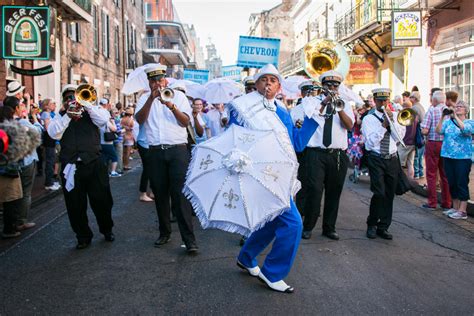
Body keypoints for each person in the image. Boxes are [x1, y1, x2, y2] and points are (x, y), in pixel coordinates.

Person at [229, 64, 319, 293]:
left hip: (281, 175)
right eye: (263, 79)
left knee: (272, 220)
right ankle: (272, 272)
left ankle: (247, 257)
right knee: (293, 223)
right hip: (259, 174)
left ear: (279, 87)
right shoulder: (242, 108)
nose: (268, 83)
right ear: (256, 84)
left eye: (273, 80)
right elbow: (234, 140)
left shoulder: (281, 111)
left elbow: (296, 144)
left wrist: (315, 116)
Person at [135, 64, 198, 254]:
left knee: (180, 196)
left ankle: (190, 240)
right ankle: (165, 232)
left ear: (165, 80)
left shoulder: (178, 96)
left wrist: (171, 106)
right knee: (160, 194)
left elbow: (186, 121)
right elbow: (139, 119)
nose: (157, 84)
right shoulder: (144, 99)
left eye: (159, 80)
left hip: (178, 151)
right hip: (155, 152)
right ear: (149, 83)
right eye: (153, 81)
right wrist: (151, 100)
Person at [47, 84, 115, 249]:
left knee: (102, 201)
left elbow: (104, 120)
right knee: (75, 205)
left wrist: (87, 105)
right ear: (64, 101)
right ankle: (83, 236)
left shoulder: (93, 112)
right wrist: (68, 116)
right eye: (68, 97)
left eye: (75, 96)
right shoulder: (60, 116)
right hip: (71, 166)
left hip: (94, 163)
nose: (72, 100)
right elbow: (53, 133)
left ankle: (106, 229)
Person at [300, 71, 354, 240]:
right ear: (322, 85)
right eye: (328, 85)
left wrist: (339, 109)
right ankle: (308, 225)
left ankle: (329, 228)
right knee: (314, 190)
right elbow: (311, 116)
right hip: (316, 153)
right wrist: (325, 102)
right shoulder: (310, 101)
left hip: (337, 155)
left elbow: (350, 126)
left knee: (334, 191)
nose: (332, 88)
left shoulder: (345, 103)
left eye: (335, 85)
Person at [361, 88, 405, 240]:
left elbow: (400, 138)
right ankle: (372, 224)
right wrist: (383, 126)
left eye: (386, 101)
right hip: (376, 157)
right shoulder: (369, 118)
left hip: (392, 158)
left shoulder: (395, 116)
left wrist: (393, 122)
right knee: (379, 193)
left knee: (389, 194)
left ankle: (383, 226)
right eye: (380, 101)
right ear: (375, 100)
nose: (383, 104)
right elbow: (370, 143)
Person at [1, 96, 42, 238]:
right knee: (24, 193)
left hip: (9, 164)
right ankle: (20, 221)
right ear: (16, 109)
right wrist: (34, 119)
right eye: (21, 106)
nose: (23, 108)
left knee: (10, 196)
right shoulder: (21, 122)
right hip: (24, 162)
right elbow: (38, 133)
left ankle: (11, 223)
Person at [436, 101, 473, 220]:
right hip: (448, 156)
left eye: (460, 107)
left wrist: (455, 116)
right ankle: (455, 207)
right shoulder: (448, 122)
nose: (457, 108)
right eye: (456, 106)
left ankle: (462, 210)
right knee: (451, 182)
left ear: (466, 110)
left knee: (461, 182)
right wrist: (443, 116)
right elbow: (438, 131)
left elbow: (466, 130)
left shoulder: (470, 122)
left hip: (463, 157)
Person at [420, 90, 451, 210]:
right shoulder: (450, 111)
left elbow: (425, 130)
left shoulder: (432, 110)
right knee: (445, 174)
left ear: (434, 100)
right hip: (446, 144)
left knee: (431, 174)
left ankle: (432, 202)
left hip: (433, 143)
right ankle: (447, 202)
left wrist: (421, 130)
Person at [40, 98, 61, 190]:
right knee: (50, 161)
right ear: (46, 106)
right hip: (49, 139)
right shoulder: (46, 114)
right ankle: (49, 183)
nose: (54, 105)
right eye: (52, 103)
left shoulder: (49, 114)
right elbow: (48, 128)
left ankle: (50, 181)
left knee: (51, 160)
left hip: (51, 139)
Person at [397, 100, 418, 178]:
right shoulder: (415, 116)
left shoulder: (404, 115)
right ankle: (410, 181)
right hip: (412, 143)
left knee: (399, 164)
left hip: (404, 143)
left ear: (404, 107)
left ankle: (402, 182)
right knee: (410, 164)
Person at [409, 91, 426, 179]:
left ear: (414, 98)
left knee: (416, 154)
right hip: (422, 132)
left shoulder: (415, 107)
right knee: (420, 155)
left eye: (411, 97)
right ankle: (421, 172)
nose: (409, 98)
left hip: (418, 131)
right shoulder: (420, 106)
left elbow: (414, 121)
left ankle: (416, 173)